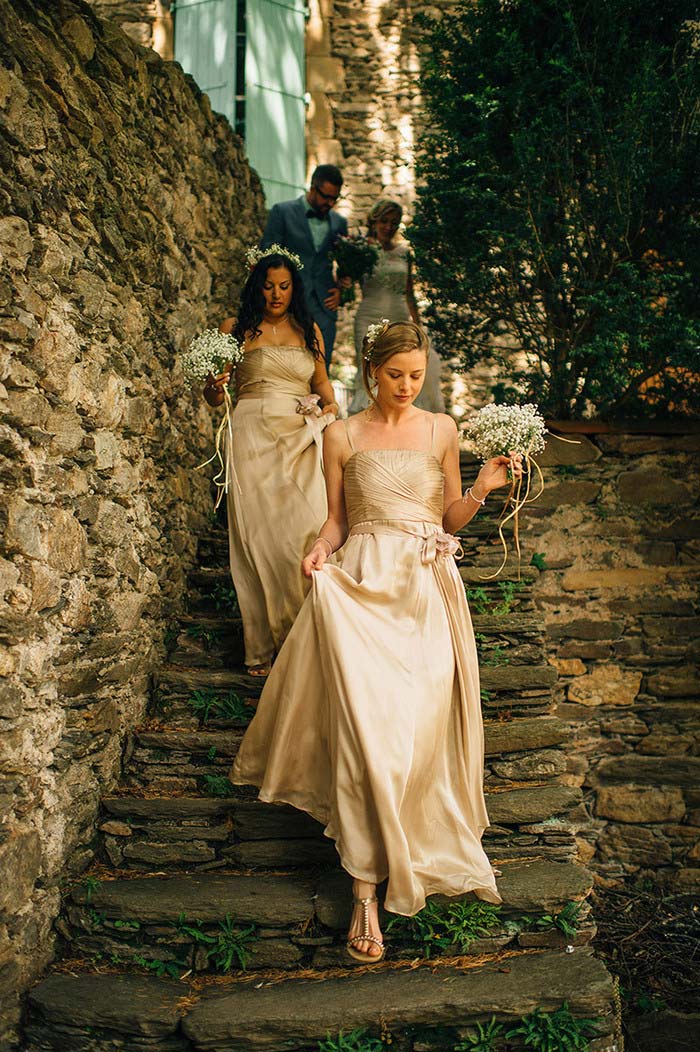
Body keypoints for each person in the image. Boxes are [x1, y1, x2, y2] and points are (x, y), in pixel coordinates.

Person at [231, 320, 522, 962]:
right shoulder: (341, 434)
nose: (407, 387)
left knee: (414, 733)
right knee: (370, 733)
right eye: (396, 376)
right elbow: (335, 521)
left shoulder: (442, 429)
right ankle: (365, 892)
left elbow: (448, 516)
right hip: (362, 586)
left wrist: (481, 489)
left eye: (417, 376)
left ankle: (402, 855)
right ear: (372, 373)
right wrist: (316, 550)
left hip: (424, 590)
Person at [203, 247, 339, 677]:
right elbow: (214, 398)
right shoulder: (235, 329)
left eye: (284, 286)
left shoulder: (309, 330)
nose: (276, 294)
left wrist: (324, 413)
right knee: (258, 540)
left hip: (301, 436)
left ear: (294, 288)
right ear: (255, 285)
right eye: (268, 285)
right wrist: (213, 384)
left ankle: (309, 638)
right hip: (251, 434)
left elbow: (327, 391)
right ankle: (262, 645)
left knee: (306, 527)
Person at [348, 198, 445, 415]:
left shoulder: (403, 252)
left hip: (398, 316)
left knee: (402, 367)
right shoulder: (360, 249)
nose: (389, 227)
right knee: (370, 368)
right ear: (374, 221)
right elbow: (345, 281)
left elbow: (409, 293)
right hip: (368, 317)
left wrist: (418, 326)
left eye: (394, 222)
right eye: (384, 221)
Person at [260, 164, 348, 368]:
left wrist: (342, 291)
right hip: (288, 304)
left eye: (334, 198)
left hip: (324, 307)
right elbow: (268, 257)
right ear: (312, 187)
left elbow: (346, 265)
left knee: (320, 369)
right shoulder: (282, 212)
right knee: (286, 366)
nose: (330, 203)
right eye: (325, 196)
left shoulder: (339, 223)